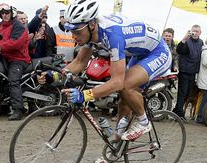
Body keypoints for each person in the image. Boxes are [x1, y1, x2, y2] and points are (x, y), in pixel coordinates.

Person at [40, 0, 171, 141]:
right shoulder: (91, 32)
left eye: (77, 31)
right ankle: (117, 144)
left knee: (125, 86)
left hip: (158, 52)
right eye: (71, 31)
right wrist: (54, 76)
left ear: (91, 24)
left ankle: (144, 122)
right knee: (124, 100)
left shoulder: (112, 34)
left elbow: (117, 83)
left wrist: (85, 95)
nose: (73, 36)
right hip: (139, 54)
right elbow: (79, 63)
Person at [172, 24, 203, 120]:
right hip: (184, 71)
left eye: (197, 31)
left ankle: (177, 110)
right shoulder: (186, 41)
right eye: (193, 31)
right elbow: (180, 50)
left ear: (200, 33)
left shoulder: (201, 42)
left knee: (188, 93)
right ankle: (179, 113)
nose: (195, 33)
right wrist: (184, 39)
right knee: (182, 93)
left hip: (193, 72)